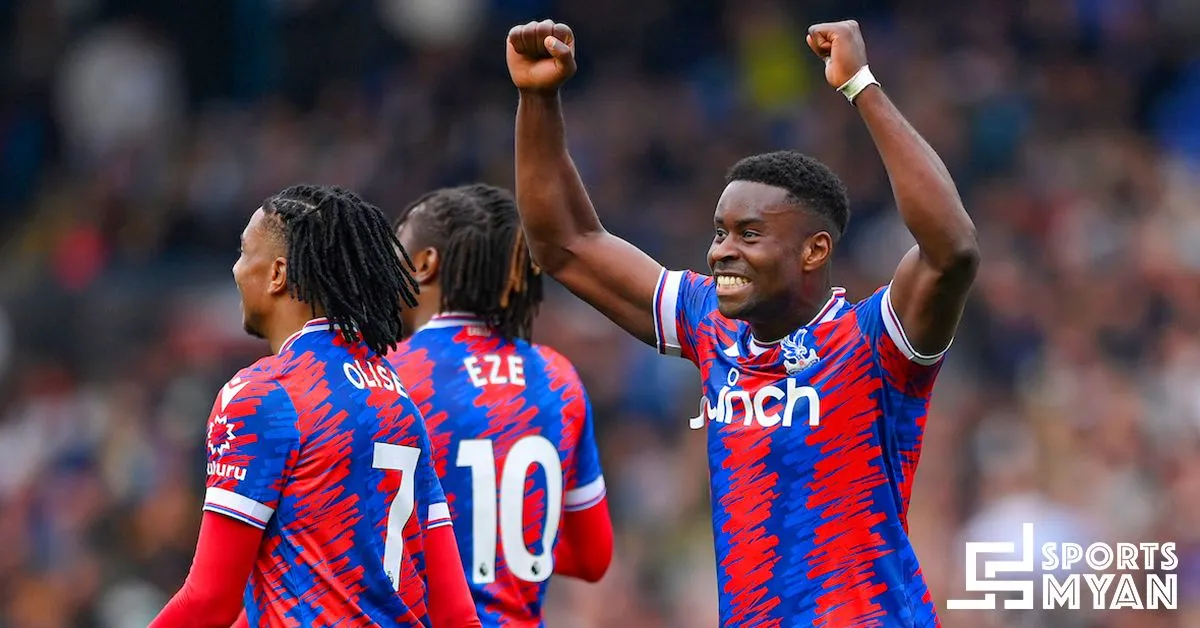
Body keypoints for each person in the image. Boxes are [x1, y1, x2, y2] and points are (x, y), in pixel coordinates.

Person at [506, 18, 979, 627]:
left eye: (749, 235)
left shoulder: (873, 342)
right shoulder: (710, 325)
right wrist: (538, 99)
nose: (721, 252)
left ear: (813, 250)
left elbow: (952, 250)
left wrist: (860, 84)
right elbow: (565, 244)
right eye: (720, 233)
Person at [149, 184, 482, 628]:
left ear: (277, 274)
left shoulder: (266, 395)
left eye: (243, 252)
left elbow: (210, 601)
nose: (235, 269)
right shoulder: (398, 399)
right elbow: (457, 613)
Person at [388, 183, 614, 626]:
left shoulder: (386, 377)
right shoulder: (558, 379)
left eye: (396, 249)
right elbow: (594, 557)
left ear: (424, 264)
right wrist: (500, 549)